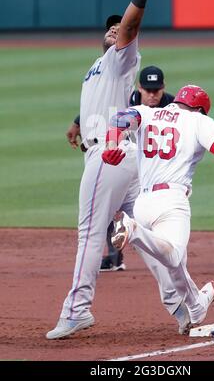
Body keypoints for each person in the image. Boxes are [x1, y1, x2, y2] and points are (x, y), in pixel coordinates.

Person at [46, 0, 180, 339]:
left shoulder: (124, 58)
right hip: (123, 156)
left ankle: (77, 309)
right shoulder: (102, 65)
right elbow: (103, 104)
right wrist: (76, 120)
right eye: (110, 28)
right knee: (142, 232)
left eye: (118, 29)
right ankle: (184, 303)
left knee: (90, 233)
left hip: (109, 155)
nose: (114, 31)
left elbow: (132, 24)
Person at [102, 85, 214, 333]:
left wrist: (110, 146)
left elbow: (119, 119)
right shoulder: (198, 120)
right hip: (171, 202)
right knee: (173, 257)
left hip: (143, 203)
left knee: (175, 265)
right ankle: (133, 230)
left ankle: (195, 308)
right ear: (200, 108)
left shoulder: (147, 112)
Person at [66, 65, 174, 271]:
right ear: (139, 88)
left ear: (163, 88)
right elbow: (103, 109)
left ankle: (169, 255)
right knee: (110, 205)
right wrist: (78, 122)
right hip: (133, 159)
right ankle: (116, 257)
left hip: (155, 165)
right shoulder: (130, 100)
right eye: (148, 90)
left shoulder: (171, 105)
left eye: (156, 90)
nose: (152, 95)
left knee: (148, 213)